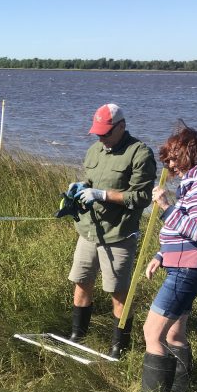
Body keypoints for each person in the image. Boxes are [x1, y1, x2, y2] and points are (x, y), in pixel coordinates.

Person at [132, 124, 197, 392]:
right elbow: (182, 233)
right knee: (174, 333)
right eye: (167, 159)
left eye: (174, 157)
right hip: (185, 266)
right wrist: (161, 256)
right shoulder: (194, 183)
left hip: (188, 270)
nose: (170, 164)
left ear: (190, 154)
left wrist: (165, 207)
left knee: (152, 333)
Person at [67, 103, 157, 358]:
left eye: (106, 133)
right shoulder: (94, 150)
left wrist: (102, 195)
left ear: (121, 126)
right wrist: (81, 187)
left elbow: (141, 197)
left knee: (119, 292)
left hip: (118, 234)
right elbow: (92, 181)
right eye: (97, 133)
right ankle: (77, 335)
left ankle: (119, 347)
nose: (101, 138)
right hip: (89, 230)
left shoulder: (139, 154)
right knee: (82, 281)